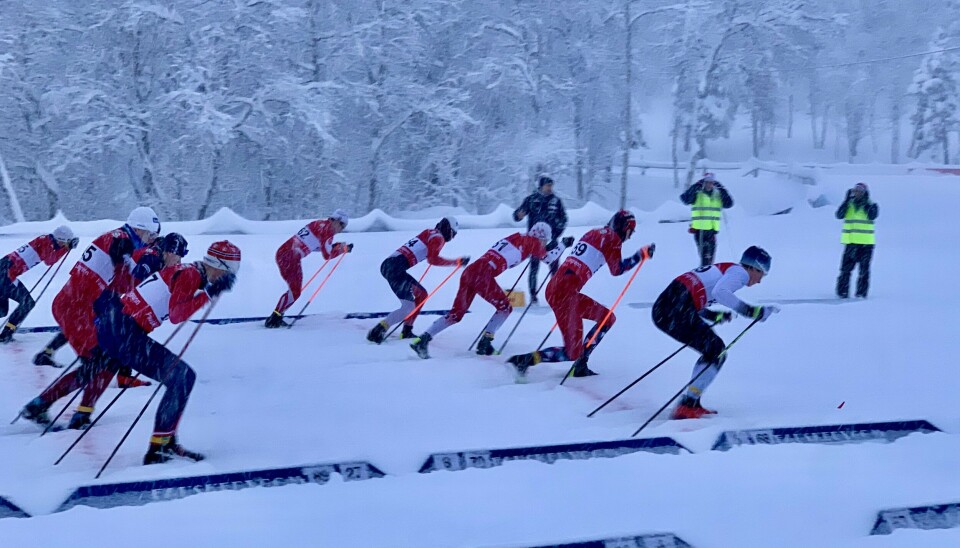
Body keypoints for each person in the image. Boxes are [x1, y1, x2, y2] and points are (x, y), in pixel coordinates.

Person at [95, 240, 239, 464]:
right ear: (218, 266)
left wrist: (207, 292)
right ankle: (159, 448)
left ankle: (164, 442)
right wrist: (208, 295)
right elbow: (176, 314)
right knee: (182, 377)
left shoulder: (189, 271)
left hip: (117, 326)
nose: (230, 279)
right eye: (231, 272)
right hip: (123, 331)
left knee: (180, 376)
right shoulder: (190, 275)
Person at [19, 207, 160, 427]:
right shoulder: (122, 242)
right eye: (149, 235)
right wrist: (147, 272)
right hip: (76, 309)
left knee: (103, 362)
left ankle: (72, 411)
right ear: (140, 230)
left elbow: (116, 284)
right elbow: (126, 284)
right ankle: (44, 406)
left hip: (76, 305)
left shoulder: (116, 237)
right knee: (98, 363)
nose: (149, 241)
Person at [63, 232, 190, 430]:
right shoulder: (152, 259)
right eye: (178, 255)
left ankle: (80, 410)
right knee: (99, 364)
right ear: (168, 251)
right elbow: (136, 281)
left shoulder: (157, 257)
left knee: (107, 362)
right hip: (111, 303)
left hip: (116, 305)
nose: (179, 261)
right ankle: (52, 404)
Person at [506, 211, 654, 379]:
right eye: (631, 231)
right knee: (572, 352)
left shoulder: (595, 232)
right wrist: (640, 255)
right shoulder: (612, 238)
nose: (630, 236)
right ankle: (526, 360)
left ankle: (580, 363)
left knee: (607, 318)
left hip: (560, 288)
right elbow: (617, 269)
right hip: (566, 293)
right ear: (623, 227)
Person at [410, 223, 574, 358]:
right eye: (545, 241)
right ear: (541, 237)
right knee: (505, 308)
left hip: (472, 271)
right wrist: (563, 245)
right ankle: (485, 343)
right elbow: (549, 258)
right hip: (483, 274)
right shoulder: (533, 242)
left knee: (456, 314)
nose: (544, 245)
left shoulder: (518, 237)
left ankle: (423, 339)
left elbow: (525, 252)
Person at [651, 246, 779, 420]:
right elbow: (720, 293)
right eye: (761, 274)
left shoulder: (727, 270)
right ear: (753, 267)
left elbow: (697, 295)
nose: (759, 281)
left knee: (713, 350)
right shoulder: (740, 273)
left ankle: (690, 403)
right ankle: (688, 404)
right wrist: (752, 312)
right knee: (716, 351)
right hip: (674, 308)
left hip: (667, 308)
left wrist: (712, 315)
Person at [367, 217, 467, 343]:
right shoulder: (438, 238)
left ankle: (406, 330)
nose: (451, 239)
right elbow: (432, 259)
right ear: (448, 230)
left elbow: (423, 250)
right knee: (408, 308)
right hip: (395, 268)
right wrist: (456, 262)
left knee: (421, 295)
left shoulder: (430, 232)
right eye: (453, 235)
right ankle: (378, 330)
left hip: (390, 265)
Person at [265, 210, 352, 328]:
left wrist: (337, 246)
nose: (341, 229)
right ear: (335, 220)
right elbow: (327, 255)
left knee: (294, 291)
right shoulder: (328, 231)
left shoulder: (319, 224)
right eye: (342, 225)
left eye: (344, 227)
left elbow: (318, 246)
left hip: (285, 254)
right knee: (295, 291)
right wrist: (343, 249)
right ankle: (275, 318)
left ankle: (276, 315)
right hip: (291, 256)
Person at [0, 226, 78, 343]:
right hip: (5, 274)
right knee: (27, 303)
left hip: (5, 271)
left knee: (3, 310)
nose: (64, 245)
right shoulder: (46, 242)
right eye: (65, 243)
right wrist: (66, 249)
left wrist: (66, 247)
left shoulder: (47, 240)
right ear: (60, 239)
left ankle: (6, 333)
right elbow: (50, 261)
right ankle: (6, 334)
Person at [513, 176, 568, 305]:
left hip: (551, 240)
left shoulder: (556, 201)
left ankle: (556, 294)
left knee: (555, 268)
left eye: (551, 186)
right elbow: (518, 215)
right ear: (541, 186)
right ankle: (533, 295)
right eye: (547, 186)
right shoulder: (531, 200)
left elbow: (564, 219)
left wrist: (557, 231)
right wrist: (518, 215)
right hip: (534, 242)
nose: (550, 188)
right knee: (533, 268)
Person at [680, 172, 733, 267]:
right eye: (707, 182)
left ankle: (707, 275)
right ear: (703, 183)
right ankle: (704, 276)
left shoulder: (718, 195)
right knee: (705, 258)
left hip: (712, 232)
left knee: (710, 259)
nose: (709, 185)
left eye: (711, 182)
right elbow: (685, 199)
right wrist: (695, 186)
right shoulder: (697, 194)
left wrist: (722, 189)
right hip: (700, 231)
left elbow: (729, 203)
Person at [836, 182, 878, 299]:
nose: (857, 193)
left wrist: (865, 205)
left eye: (860, 191)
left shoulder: (872, 205)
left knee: (863, 271)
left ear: (865, 193)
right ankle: (842, 293)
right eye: (855, 191)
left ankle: (861, 294)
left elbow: (872, 216)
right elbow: (839, 215)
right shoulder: (849, 205)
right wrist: (845, 201)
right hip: (850, 243)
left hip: (866, 244)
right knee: (845, 270)